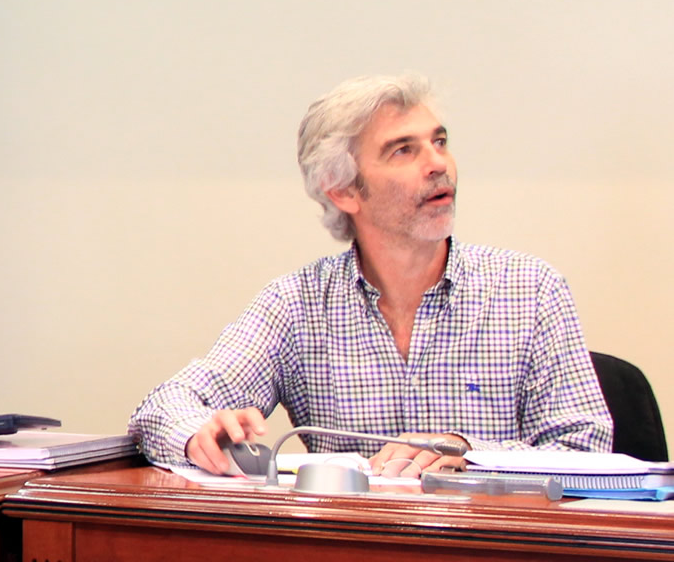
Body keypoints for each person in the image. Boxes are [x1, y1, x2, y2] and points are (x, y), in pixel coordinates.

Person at [129, 74, 612, 477]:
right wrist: (198, 435)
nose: (438, 164)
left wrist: (470, 455)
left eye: (439, 142)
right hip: (352, 554)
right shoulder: (298, 303)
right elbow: (161, 407)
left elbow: (587, 450)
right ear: (343, 191)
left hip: (491, 554)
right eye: (403, 150)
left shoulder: (530, 289)